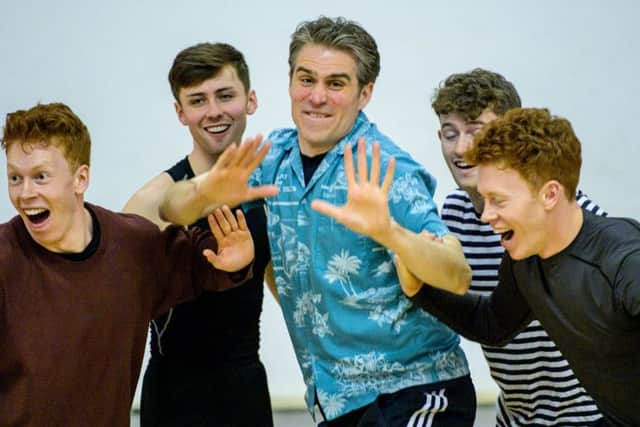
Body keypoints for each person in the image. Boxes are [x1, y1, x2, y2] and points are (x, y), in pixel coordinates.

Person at [161, 16, 476, 427]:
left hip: (415, 390)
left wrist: (389, 232)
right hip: (336, 401)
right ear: (290, 83)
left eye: (336, 84)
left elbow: (457, 274)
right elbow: (171, 207)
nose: (317, 97)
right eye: (306, 79)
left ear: (365, 93)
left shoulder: (386, 168)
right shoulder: (272, 156)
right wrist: (206, 191)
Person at [0, 102, 267, 426]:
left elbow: (201, 264)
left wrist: (233, 260)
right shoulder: (5, 259)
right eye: (15, 177)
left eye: (40, 177)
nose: (24, 193)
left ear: (80, 178)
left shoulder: (132, 245)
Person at [402, 107, 640, 427]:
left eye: (498, 201)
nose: (486, 215)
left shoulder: (625, 260)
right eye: (484, 200)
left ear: (550, 194)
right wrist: (420, 289)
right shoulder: (525, 261)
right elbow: (492, 323)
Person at [430, 68, 604, 426]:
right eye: (450, 133)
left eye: (476, 132)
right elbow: (485, 321)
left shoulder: (572, 217)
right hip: (515, 417)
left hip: (589, 416)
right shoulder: (453, 215)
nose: (461, 148)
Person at [122, 42, 273, 426]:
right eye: (198, 100)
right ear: (181, 112)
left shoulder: (268, 191)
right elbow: (111, 296)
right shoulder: (149, 200)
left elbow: (283, 283)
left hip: (245, 390)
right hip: (174, 395)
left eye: (225, 95)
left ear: (250, 100)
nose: (214, 112)